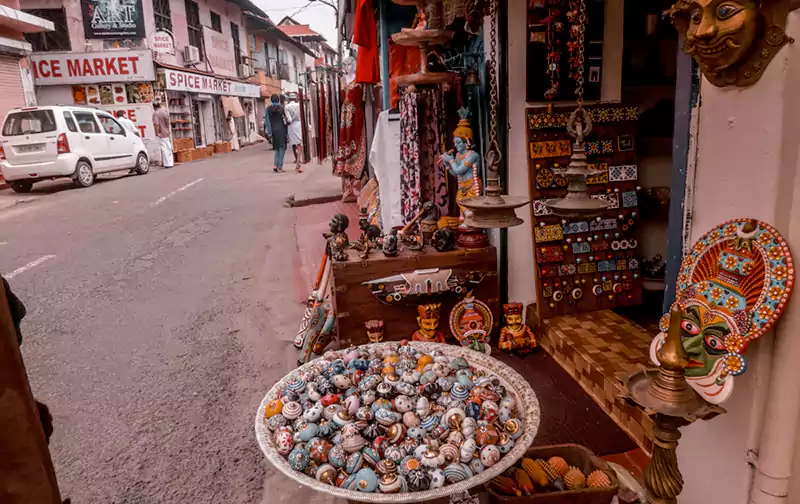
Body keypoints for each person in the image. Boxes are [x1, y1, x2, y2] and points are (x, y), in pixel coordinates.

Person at [265, 94, 288, 173]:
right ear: (278, 100)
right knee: (282, 148)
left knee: (276, 148)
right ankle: (279, 166)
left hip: (274, 130)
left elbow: (267, 122)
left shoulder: (268, 109)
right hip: (281, 129)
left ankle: (275, 165)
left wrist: (270, 133)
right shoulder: (282, 108)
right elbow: (286, 120)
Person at [285, 93, 304, 173]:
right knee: (299, 144)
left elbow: (289, 119)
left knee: (293, 144)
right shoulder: (300, 105)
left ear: (289, 99)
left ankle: (297, 160)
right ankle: (298, 162)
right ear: (296, 99)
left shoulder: (287, 107)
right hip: (299, 125)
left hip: (291, 127)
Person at [153, 102, 173, 168]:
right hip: (167, 132)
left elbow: (156, 124)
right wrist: (167, 130)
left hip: (161, 133)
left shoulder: (156, 113)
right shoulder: (165, 111)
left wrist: (157, 133)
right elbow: (168, 122)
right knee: (168, 147)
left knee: (164, 148)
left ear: (154, 107)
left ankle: (167, 164)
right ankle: (170, 162)